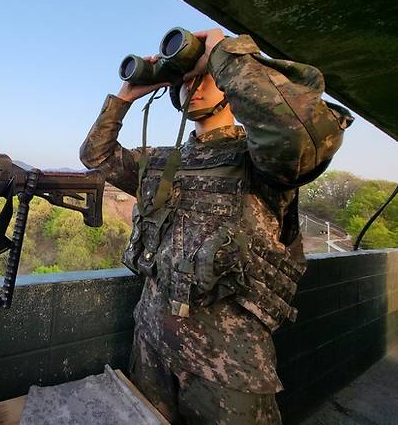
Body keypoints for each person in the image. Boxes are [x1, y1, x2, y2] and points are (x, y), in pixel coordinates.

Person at [79, 28, 353, 424]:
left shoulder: (261, 161)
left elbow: (295, 135)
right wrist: (125, 97)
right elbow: (96, 155)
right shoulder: (159, 162)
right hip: (152, 342)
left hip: (227, 364)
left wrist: (225, 55)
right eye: (187, 81)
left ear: (229, 87)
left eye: (205, 78)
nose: (195, 87)